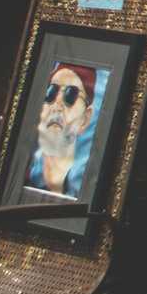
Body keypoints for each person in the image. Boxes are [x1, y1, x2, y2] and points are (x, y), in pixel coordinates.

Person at [30, 61, 97, 196]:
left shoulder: (85, 189)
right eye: (51, 92)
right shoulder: (24, 172)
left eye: (70, 94)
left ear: (85, 118)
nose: (57, 105)